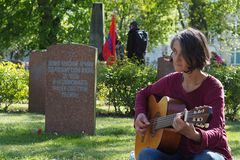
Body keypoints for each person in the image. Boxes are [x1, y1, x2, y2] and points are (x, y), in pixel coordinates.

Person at [134, 28, 232, 160]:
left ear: (195, 54)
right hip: (174, 151)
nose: (176, 58)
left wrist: (194, 135)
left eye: (183, 53)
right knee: (145, 154)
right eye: (174, 52)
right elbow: (143, 93)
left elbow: (217, 132)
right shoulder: (171, 80)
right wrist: (140, 114)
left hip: (207, 151)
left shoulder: (213, 87)